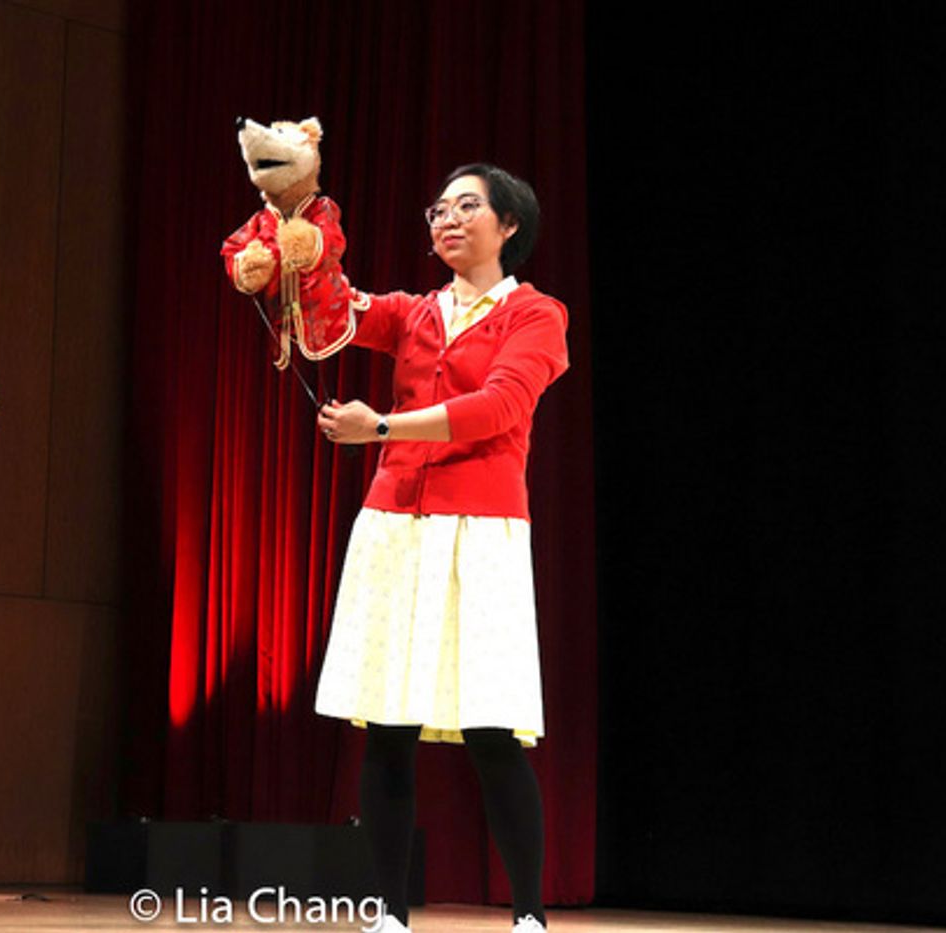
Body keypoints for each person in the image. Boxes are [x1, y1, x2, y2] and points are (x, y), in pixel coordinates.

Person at [312, 164, 568, 933]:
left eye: (466, 207)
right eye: (438, 210)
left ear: (508, 224)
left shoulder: (537, 315)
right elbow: (331, 314)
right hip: (395, 522)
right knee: (388, 724)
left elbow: (498, 407)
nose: (446, 220)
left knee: (491, 728)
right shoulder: (413, 311)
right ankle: (388, 913)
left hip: (483, 531)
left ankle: (529, 915)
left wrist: (381, 428)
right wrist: (297, 234)